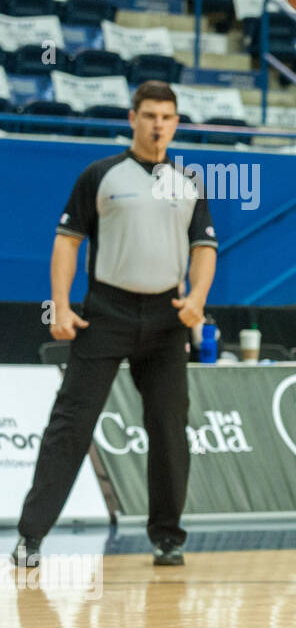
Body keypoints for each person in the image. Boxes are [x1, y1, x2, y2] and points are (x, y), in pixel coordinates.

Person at [11, 81, 218, 569]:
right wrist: (60, 306)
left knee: (169, 428)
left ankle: (168, 537)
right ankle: (31, 538)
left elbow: (205, 248)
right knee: (71, 426)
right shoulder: (100, 175)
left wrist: (197, 301)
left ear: (176, 123)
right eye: (149, 115)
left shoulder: (188, 182)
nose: (158, 125)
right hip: (106, 313)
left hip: (167, 319)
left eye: (167, 117)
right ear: (132, 118)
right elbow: (67, 241)